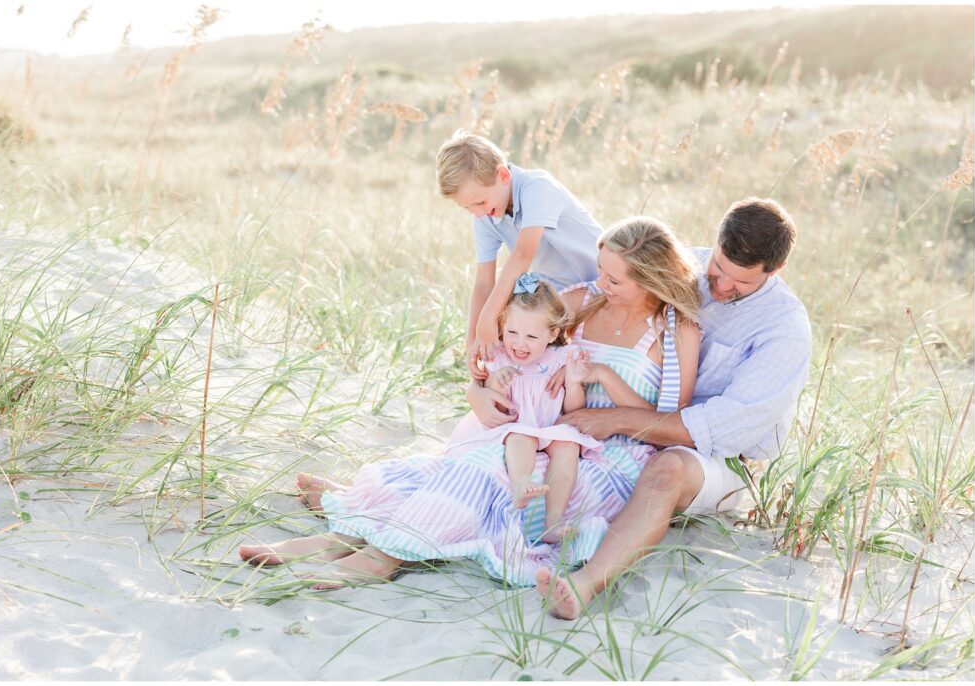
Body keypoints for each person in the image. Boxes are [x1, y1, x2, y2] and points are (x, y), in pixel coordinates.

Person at [237, 216, 702, 589]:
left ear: (649, 280)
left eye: (615, 279)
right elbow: (516, 343)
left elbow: (667, 423)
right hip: (542, 426)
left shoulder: (675, 329)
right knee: (477, 457)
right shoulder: (583, 301)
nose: (601, 282)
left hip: (612, 456)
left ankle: (383, 555)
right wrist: (478, 391)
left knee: (491, 476)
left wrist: (601, 376)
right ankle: (339, 537)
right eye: (600, 270)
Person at [524, 197, 813, 619]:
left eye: (741, 283)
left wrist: (617, 418)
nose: (722, 286)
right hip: (636, 425)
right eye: (718, 268)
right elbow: (600, 288)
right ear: (715, 243)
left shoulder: (784, 330)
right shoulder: (683, 268)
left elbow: (720, 428)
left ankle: (584, 585)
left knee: (669, 468)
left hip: (717, 458)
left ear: (776, 271)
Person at [445, 272, 653, 543]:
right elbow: (492, 403)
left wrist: (575, 382)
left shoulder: (561, 358)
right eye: (512, 332)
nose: (519, 343)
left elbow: (571, 409)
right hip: (514, 428)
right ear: (502, 326)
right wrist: (497, 382)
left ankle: (552, 523)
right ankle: (521, 483)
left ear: (553, 333)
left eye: (531, 336)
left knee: (568, 444)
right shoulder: (498, 356)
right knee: (522, 436)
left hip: (551, 427)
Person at [435, 129, 602, 383]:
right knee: (512, 329)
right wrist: (473, 342)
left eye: (479, 202)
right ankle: (504, 388)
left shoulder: (538, 187)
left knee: (514, 320)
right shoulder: (486, 215)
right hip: (555, 292)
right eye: (467, 208)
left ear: (503, 175)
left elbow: (523, 256)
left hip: (598, 281)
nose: (477, 213)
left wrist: (488, 318)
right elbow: (483, 284)